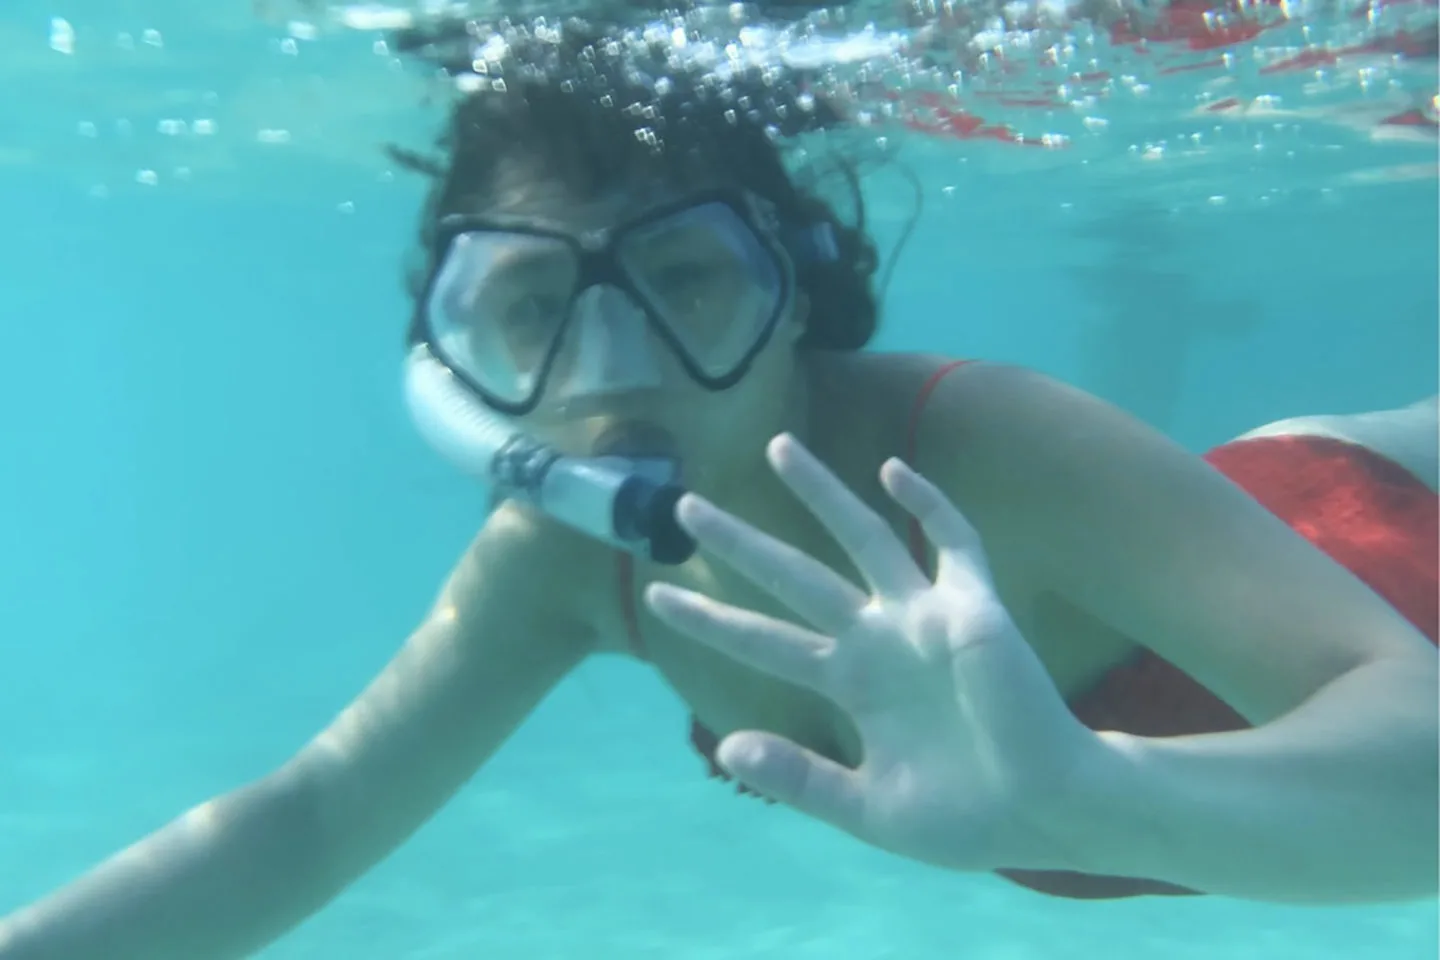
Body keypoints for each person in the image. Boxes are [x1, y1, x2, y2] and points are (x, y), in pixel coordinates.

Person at [0, 18, 1434, 960]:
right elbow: (311, 817)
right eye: (531, 304)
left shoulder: (974, 449)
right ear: (459, 353)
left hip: (1367, 531)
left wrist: (1087, 795)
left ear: (794, 291)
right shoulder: (567, 564)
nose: (618, 374)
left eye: (685, 279)